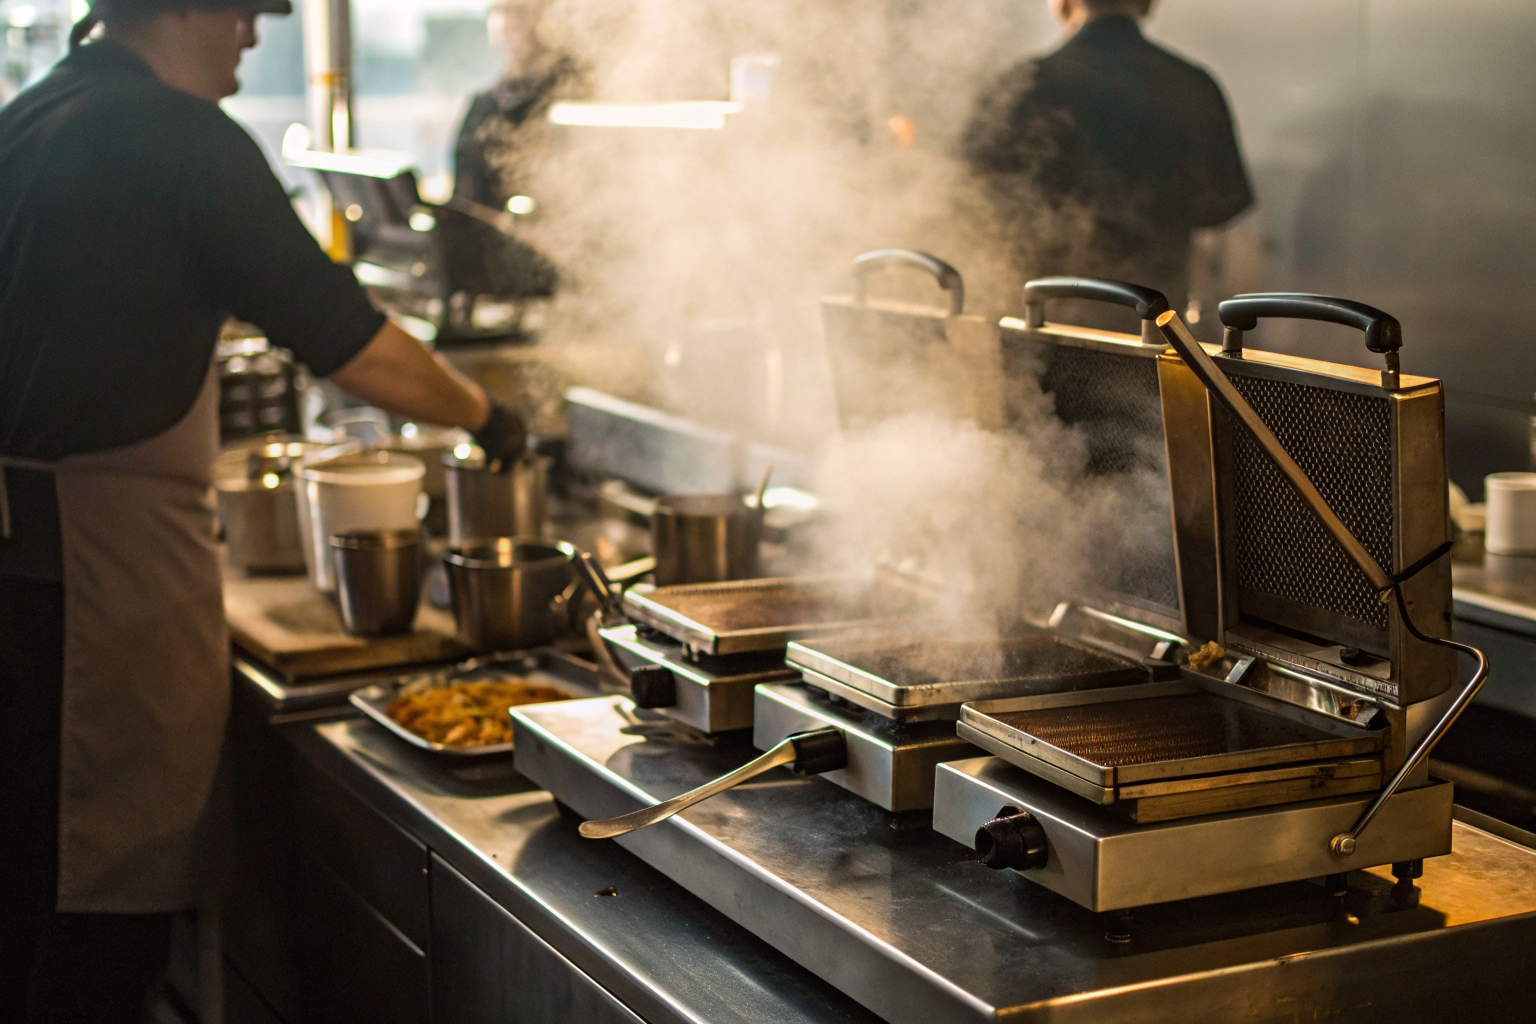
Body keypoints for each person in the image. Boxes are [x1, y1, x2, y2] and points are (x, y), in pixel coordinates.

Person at [0, 1, 527, 1019]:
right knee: (92, 929)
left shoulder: (37, 112)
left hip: (24, 563)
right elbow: (346, 338)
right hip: (87, 586)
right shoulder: (185, 140)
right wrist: (488, 415)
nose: (251, 35)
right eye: (245, 12)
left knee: (25, 907)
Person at [961, 0, 1252, 317]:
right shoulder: (1194, 86)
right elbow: (1222, 204)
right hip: (1154, 322)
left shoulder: (1023, 84)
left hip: (1042, 318)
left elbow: (972, 202)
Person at [451, 0, 570, 213]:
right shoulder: (484, 105)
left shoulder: (571, 99)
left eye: (518, 11)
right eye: (497, 11)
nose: (504, 23)